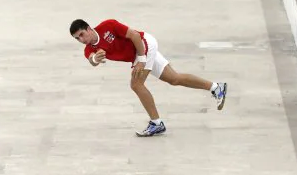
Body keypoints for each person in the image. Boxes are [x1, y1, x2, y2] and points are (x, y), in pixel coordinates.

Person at [70, 19, 227, 137]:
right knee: (174, 79)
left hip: (145, 45)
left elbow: (135, 35)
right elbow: (91, 60)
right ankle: (216, 87)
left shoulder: (108, 26)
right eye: (77, 38)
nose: (82, 40)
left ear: (89, 28)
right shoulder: (90, 49)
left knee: (136, 84)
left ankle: (156, 123)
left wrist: (142, 59)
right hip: (138, 55)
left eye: (82, 34)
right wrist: (96, 60)